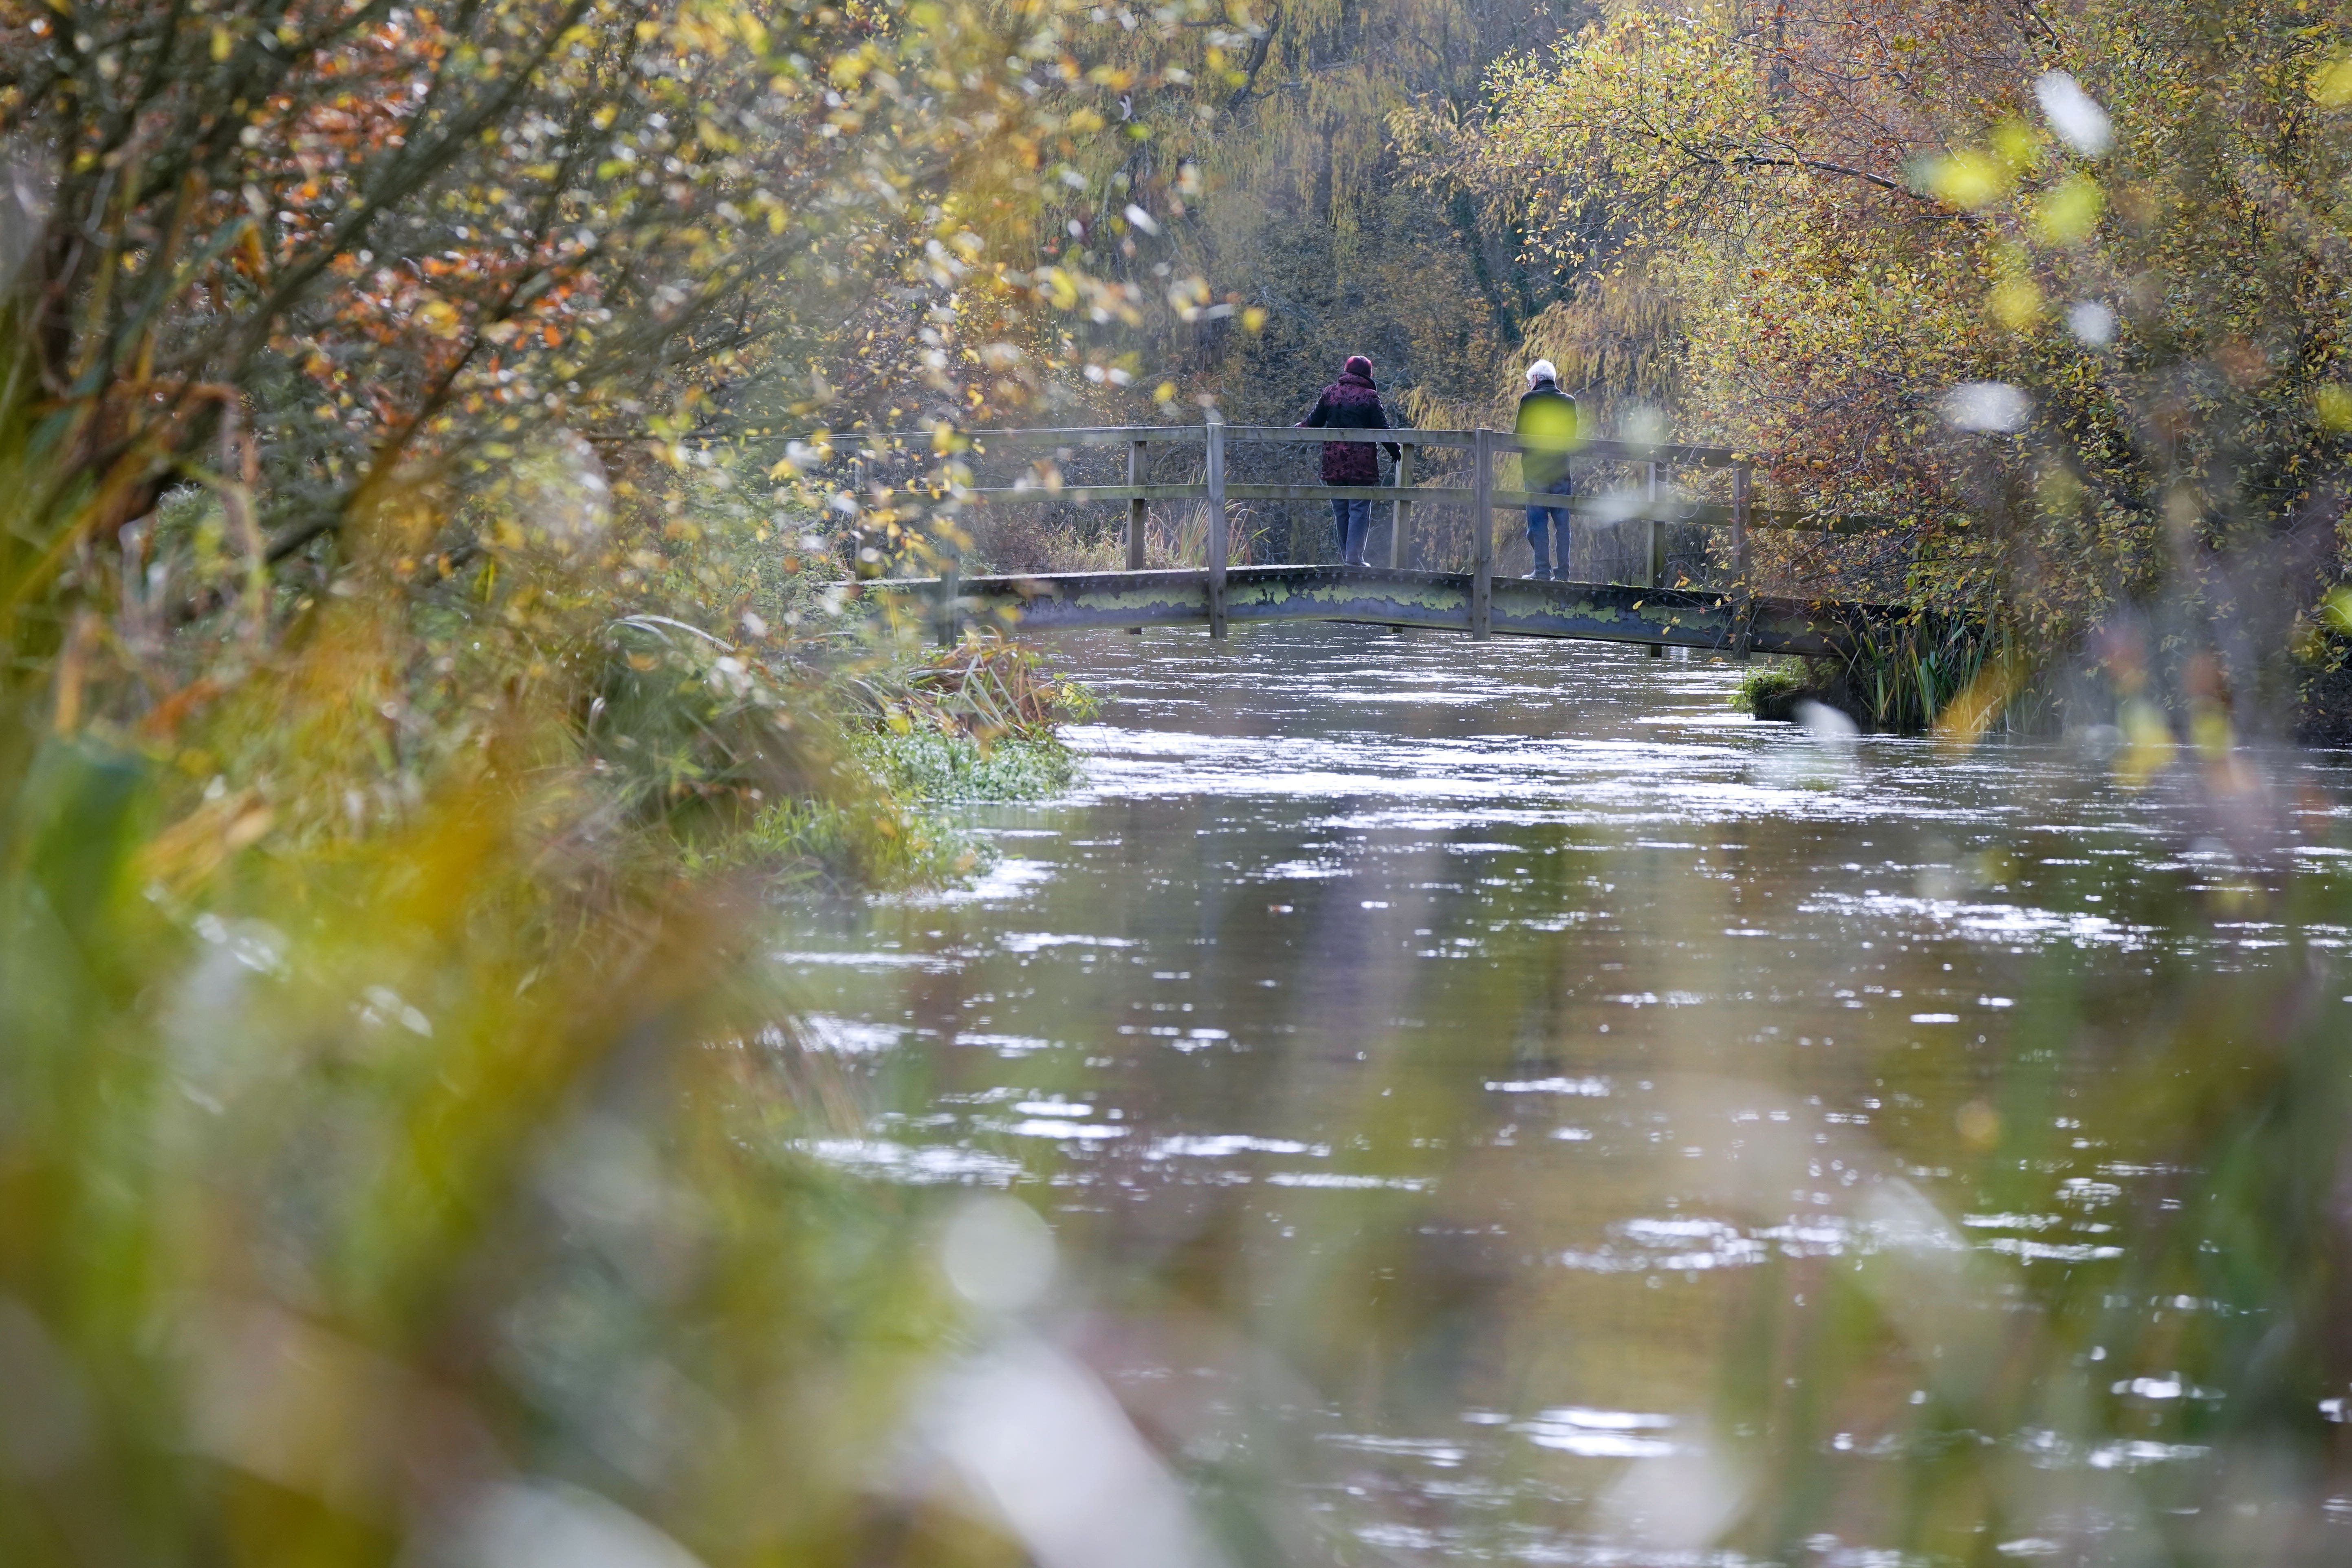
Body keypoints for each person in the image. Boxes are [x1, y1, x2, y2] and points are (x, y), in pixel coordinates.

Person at [1297, 355, 1401, 566]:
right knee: (1359, 510)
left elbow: (1313, 422)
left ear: (1346, 371)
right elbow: (1383, 430)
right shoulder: (1370, 397)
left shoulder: (1330, 393)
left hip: (1333, 462)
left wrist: (1296, 429)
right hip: (1362, 466)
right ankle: (1354, 558)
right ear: (1368, 374)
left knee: (1341, 510)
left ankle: (1349, 557)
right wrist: (1395, 450)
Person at [1515, 359, 1579, 580]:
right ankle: (1563, 574)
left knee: (1538, 522)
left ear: (1535, 380)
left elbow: (1518, 436)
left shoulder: (1530, 399)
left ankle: (1542, 572)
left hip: (1536, 472)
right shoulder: (1569, 402)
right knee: (1562, 523)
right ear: (1552, 379)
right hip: (1561, 470)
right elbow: (1572, 437)